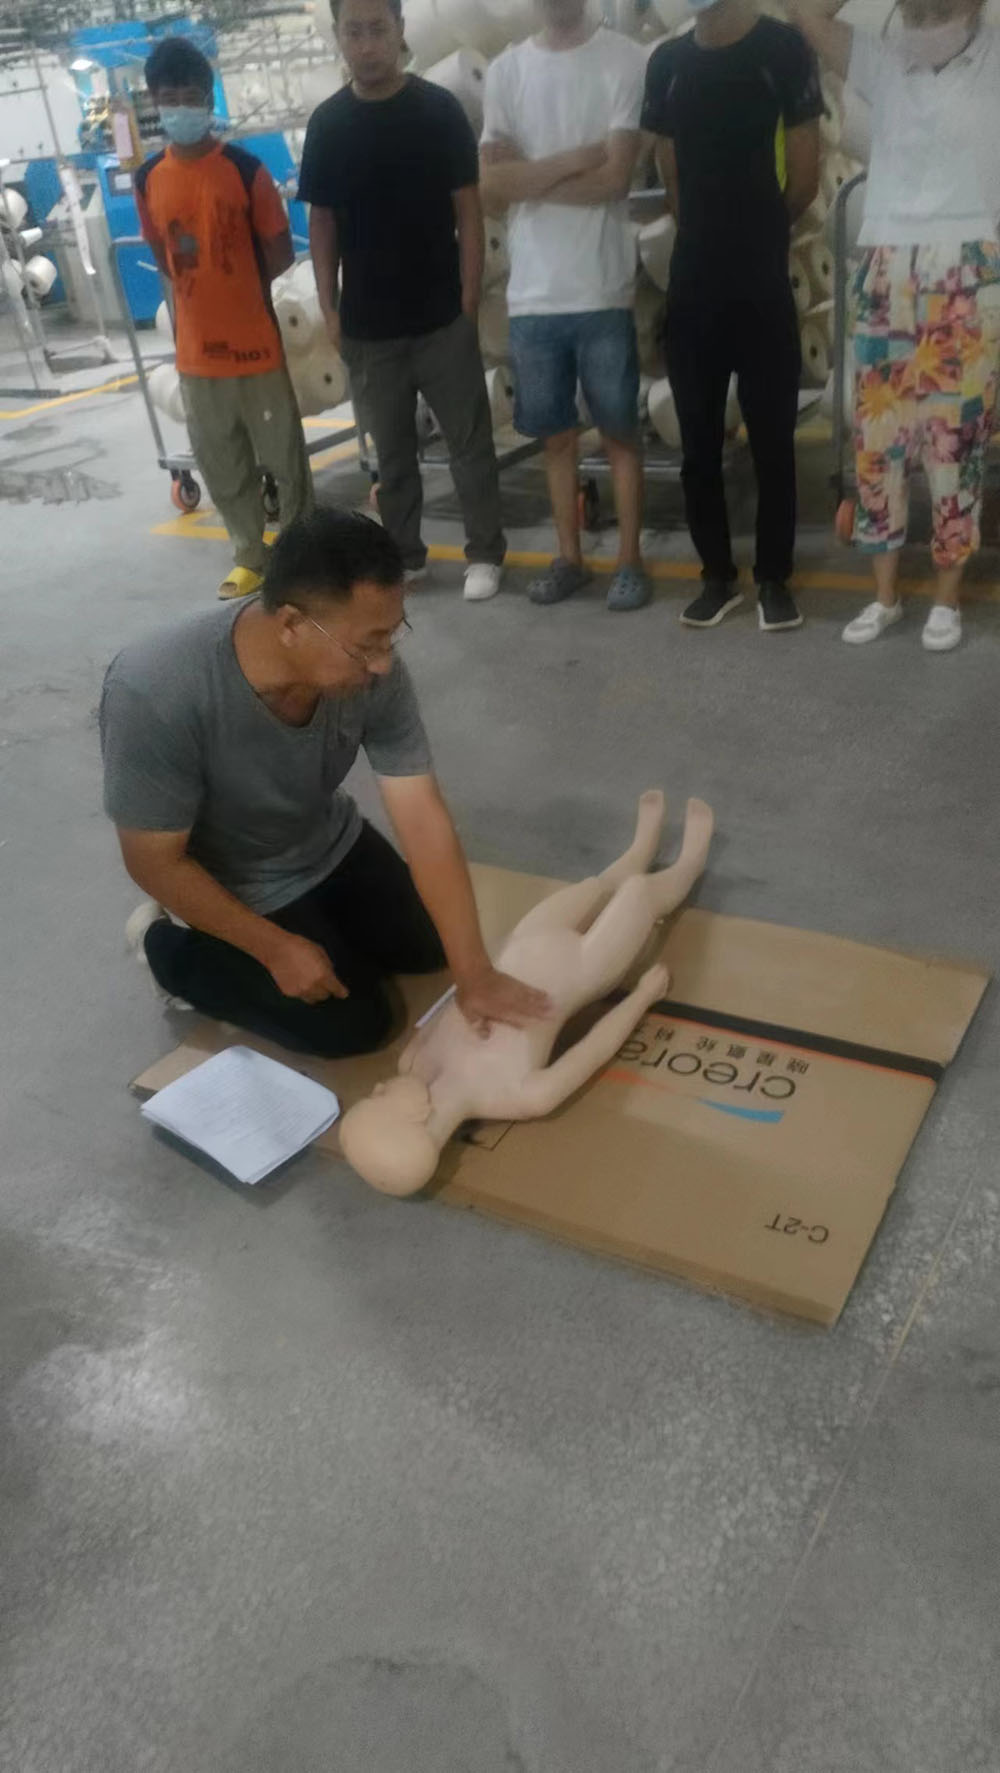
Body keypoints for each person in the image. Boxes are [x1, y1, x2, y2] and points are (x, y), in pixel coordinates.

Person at [101, 508, 548, 1058]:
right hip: (235, 876)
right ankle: (165, 949)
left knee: (437, 946)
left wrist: (475, 974)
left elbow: (421, 815)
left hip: (324, 838)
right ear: (291, 625)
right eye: (367, 644)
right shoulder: (156, 689)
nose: (383, 664)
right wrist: (272, 948)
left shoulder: (371, 672)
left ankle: (321, 934)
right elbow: (152, 862)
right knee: (356, 1025)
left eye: (392, 636)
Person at [794, 0, 1000, 651]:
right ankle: (884, 597)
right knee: (877, 441)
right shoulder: (881, 59)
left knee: (955, 446)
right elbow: (806, 11)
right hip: (887, 265)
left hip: (966, 263)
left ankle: (946, 599)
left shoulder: (995, 57)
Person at [298, 0, 506, 603]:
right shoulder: (328, 125)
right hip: (368, 327)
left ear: (400, 31)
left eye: (378, 29)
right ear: (339, 36)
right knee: (392, 456)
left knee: (470, 447)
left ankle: (485, 553)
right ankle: (406, 556)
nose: (367, 44)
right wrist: (329, 308)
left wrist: (469, 296)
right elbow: (322, 224)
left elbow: (469, 210)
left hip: (443, 318)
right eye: (354, 32)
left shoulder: (438, 111)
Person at [642, 0, 822, 632]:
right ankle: (716, 576)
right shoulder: (666, 62)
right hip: (694, 281)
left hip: (761, 279)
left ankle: (774, 577)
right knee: (697, 442)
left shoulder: (783, 50)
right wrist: (708, 232)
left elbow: (806, 175)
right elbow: (669, 171)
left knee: (772, 438)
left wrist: (758, 231)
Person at [480, 0, 650, 612]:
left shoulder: (626, 60)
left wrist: (531, 176)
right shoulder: (505, 71)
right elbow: (493, 186)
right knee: (556, 440)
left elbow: (616, 179)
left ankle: (630, 561)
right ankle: (570, 558)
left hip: (601, 287)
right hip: (533, 295)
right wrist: (578, 157)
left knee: (620, 435)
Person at [137, 37, 313, 601]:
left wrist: (237, 288)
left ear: (208, 98)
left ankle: (299, 556)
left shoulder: (245, 170)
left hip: (256, 347)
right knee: (222, 464)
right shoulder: (148, 179)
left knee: (284, 460)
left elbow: (279, 252)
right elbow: (163, 256)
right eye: (170, 97)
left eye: (191, 95)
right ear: (155, 102)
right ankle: (249, 557)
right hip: (197, 357)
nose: (181, 107)